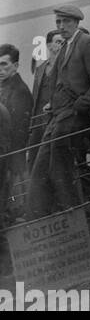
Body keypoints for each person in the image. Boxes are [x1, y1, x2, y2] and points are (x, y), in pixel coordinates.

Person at [28, 4, 90, 218]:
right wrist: (52, 105)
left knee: (59, 164)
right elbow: (59, 82)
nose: (61, 26)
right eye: (58, 22)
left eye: (65, 22)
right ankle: (37, 216)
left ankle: (74, 214)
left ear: (76, 22)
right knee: (39, 166)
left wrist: (80, 106)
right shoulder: (65, 46)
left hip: (76, 114)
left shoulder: (86, 43)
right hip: (59, 114)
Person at [0, 43, 33, 217]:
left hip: (10, 157)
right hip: (5, 154)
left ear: (16, 65)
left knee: (12, 204)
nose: (0, 69)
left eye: (4, 64)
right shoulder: (4, 87)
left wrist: (10, 159)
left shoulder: (19, 91)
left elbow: (19, 130)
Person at [26, 30, 64, 169]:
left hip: (54, 121)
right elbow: (35, 97)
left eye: (63, 42)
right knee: (33, 160)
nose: (61, 45)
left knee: (52, 162)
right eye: (58, 42)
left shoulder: (65, 68)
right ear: (49, 45)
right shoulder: (40, 69)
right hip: (37, 122)